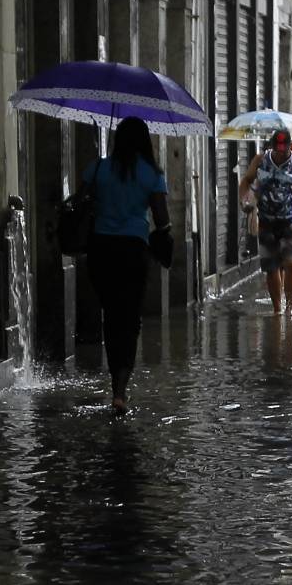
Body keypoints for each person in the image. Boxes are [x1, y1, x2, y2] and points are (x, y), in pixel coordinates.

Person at [78, 116, 170, 415]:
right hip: (133, 251)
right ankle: (120, 391)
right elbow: (162, 219)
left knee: (111, 315)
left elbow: (80, 200)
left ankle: (114, 381)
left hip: (101, 250)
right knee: (129, 320)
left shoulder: (98, 169)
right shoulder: (152, 174)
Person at [239, 129, 292, 314]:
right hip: (266, 222)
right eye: (278, 150)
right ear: (272, 146)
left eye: (284, 150)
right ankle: (277, 309)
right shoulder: (260, 161)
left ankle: (290, 310)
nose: (281, 154)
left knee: (291, 264)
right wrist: (244, 201)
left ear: (291, 147)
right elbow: (246, 181)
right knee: (272, 268)